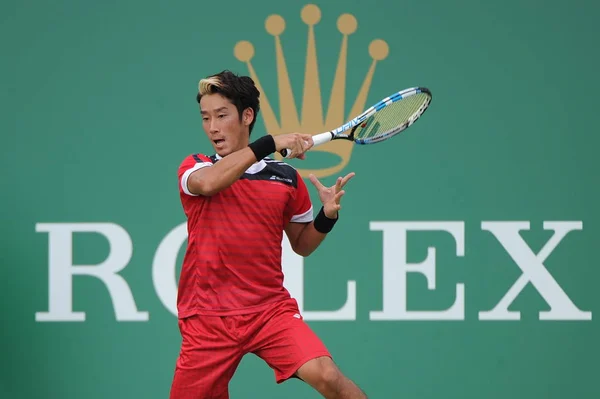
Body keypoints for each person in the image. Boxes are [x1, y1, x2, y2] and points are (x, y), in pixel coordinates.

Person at [170, 69, 366, 399]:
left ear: (247, 116)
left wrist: (326, 216)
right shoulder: (196, 167)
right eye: (206, 118)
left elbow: (302, 245)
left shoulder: (286, 179)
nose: (213, 127)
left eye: (221, 115)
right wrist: (269, 143)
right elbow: (209, 183)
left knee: (328, 376)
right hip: (207, 318)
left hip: (268, 311)